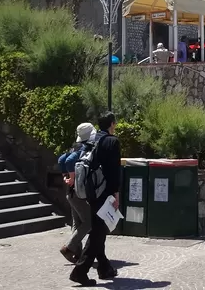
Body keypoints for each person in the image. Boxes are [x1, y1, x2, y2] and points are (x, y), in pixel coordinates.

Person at [70, 111, 122, 286]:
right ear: (112, 124)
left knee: (98, 229)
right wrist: (116, 193)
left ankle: (104, 268)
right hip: (104, 191)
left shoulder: (93, 140)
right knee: (98, 232)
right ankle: (80, 271)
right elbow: (114, 170)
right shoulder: (112, 141)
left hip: (90, 190)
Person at [58, 123, 96, 264]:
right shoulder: (85, 148)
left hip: (70, 192)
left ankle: (77, 253)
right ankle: (69, 248)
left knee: (77, 222)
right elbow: (68, 161)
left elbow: (62, 159)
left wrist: (66, 176)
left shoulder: (75, 146)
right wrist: (73, 178)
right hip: (79, 192)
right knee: (89, 223)